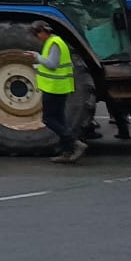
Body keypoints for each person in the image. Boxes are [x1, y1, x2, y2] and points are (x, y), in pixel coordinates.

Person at [32, 21, 83, 163]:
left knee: (48, 119)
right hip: (59, 86)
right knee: (60, 119)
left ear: (43, 32)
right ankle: (67, 151)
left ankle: (74, 143)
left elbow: (52, 65)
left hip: (54, 87)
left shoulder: (54, 43)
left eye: (36, 34)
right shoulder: (57, 41)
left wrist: (37, 57)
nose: (37, 37)